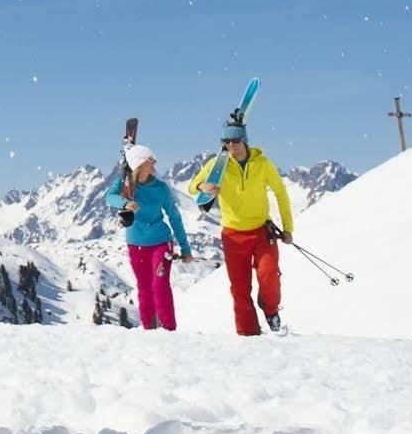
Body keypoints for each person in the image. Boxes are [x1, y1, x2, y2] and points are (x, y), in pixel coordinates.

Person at [186, 119, 294, 336]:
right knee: (239, 288)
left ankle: (271, 309)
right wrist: (203, 185)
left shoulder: (262, 164)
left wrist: (288, 227)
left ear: (244, 141)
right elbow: (192, 186)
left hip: (262, 231)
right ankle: (248, 333)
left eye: (235, 140)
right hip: (233, 235)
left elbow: (281, 193)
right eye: (226, 141)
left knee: (269, 275)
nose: (231, 145)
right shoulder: (217, 165)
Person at [104, 142, 193, 330]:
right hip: (135, 244)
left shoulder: (161, 188)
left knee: (160, 286)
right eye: (150, 160)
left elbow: (174, 217)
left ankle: (169, 330)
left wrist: (185, 248)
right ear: (139, 164)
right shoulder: (124, 184)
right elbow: (109, 197)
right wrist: (125, 204)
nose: (155, 163)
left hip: (161, 243)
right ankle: (149, 330)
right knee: (144, 289)